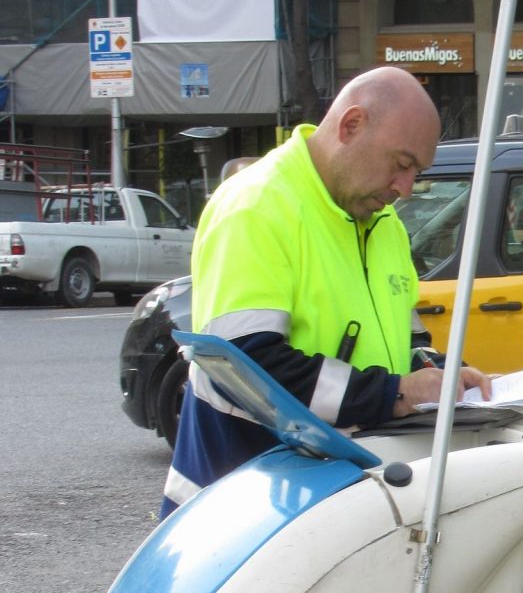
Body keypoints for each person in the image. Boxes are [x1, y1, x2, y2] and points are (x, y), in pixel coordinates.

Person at [162, 66, 490, 515]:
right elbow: (246, 371)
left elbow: (403, 337)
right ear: (351, 125)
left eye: (417, 172)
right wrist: (397, 393)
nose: (406, 188)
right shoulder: (256, 206)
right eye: (402, 164)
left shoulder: (382, 222)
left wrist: (440, 372)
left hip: (329, 502)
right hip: (242, 509)